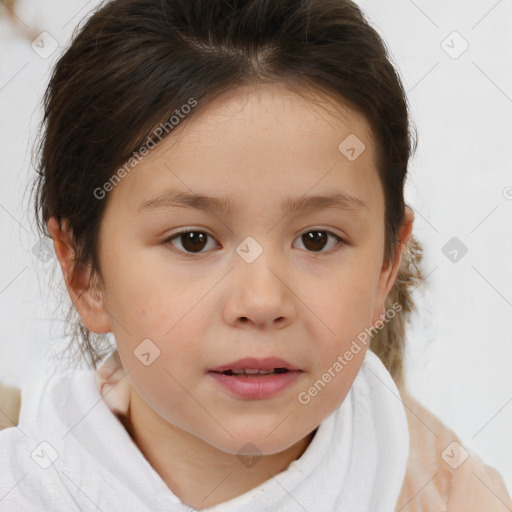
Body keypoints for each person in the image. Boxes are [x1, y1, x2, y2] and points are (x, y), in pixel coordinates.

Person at [0, 0, 510, 510]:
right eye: (193, 240)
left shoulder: (455, 496)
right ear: (84, 272)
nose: (263, 301)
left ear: (385, 267)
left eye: (317, 239)